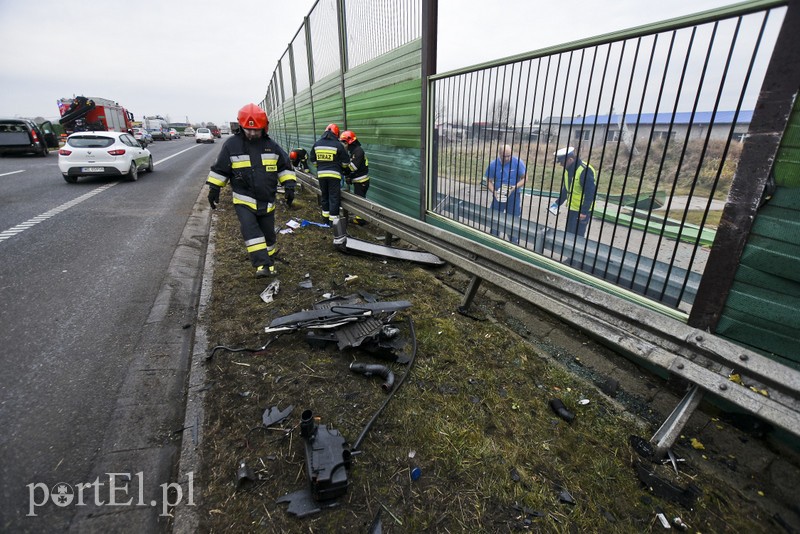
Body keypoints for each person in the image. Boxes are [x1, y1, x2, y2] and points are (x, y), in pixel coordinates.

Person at [206, 103, 296, 278]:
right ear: (241, 127)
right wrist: (214, 188)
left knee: (269, 234)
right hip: (243, 199)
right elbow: (220, 169)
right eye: (249, 130)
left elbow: (284, 166)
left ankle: (270, 258)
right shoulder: (231, 146)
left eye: (257, 130)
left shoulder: (272, 146)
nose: (253, 133)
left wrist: (289, 186)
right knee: (251, 232)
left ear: (264, 127)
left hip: (268, 201)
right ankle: (262, 265)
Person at [484, 144, 527, 245]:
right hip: (498, 196)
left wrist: (514, 187)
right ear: (499, 154)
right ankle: (493, 240)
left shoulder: (517, 162)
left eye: (509, 155)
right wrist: (494, 192)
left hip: (513, 195)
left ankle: (513, 242)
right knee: (495, 218)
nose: (507, 158)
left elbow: (525, 178)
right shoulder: (493, 164)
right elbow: (488, 181)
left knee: (512, 220)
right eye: (505, 156)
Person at [550, 146, 597, 237]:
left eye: (562, 162)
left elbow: (590, 193)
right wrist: (557, 203)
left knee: (578, 236)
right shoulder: (569, 170)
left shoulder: (585, 171)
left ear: (570, 159)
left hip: (582, 210)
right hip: (572, 208)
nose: (561, 165)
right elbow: (567, 189)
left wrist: (584, 212)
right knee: (569, 233)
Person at [310, 123, 350, 224]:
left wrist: (319, 167)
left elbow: (313, 159)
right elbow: (346, 162)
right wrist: (342, 168)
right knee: (334, 197)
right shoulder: (338, 145)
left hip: (321, 175)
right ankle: (333, 222)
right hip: (334, 175)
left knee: (324, 196)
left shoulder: (317, 144)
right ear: (336, 134)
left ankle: (325, 219)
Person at [340, 130, 369, 225]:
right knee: (359, 199)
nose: (344, 145)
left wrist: (344, 171)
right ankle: (359, 217)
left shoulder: (358, 151)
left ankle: (360, 220)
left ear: (349, 141)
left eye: (344, 142)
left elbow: (353, 167)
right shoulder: (354, 151)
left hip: (362, 181)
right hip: (359, 180)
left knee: (359, 200)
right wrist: (349, 176)